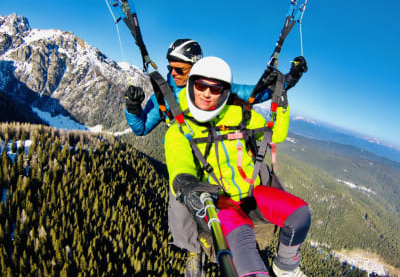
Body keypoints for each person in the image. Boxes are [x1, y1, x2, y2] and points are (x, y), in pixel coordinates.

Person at [164, 56, 311, 277]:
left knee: (300, 214)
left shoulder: (239, 116)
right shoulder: (180, 130)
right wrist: (185, 183)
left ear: (223, 93)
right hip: (220, 201)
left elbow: (276, 134)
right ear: (192, 85)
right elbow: (180, 164)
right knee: (244, 244)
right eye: (201, 85)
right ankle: (196, 252)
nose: (206, 93)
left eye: (214, 89)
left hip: (252, 193)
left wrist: (281, 101)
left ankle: (286, 266)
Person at [124, 38, 307, 136]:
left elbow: (258, 93)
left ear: (195, 68)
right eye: (170, 68)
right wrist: (133, 108)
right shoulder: (164, 95)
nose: (172, 73)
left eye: (179, 69)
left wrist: (291, 77)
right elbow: (141, 129)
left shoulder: (216, 89)